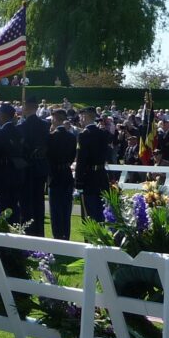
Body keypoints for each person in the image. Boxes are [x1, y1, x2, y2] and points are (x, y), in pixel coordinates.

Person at [17, 97, 50, 236]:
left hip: (27, 168)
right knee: (39, 202)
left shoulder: (22, 127)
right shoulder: (44, 125)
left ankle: (28, 232)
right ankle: (39, 233)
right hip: (40, 167)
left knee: (26, 203)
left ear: (28, 107)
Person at [75, 107, 110, 222]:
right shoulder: (103, 133)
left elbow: (81, 160)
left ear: (85, 116)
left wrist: (78, 181)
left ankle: (91, 239)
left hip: (89, 177)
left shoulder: (84, 135)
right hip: (101, 176)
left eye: (81, 117)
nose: (80, 120)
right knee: (101, 211)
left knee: (89, 213)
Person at [47, 109, 77, 239]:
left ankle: (58, 236)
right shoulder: (71, 137)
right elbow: (72, 157)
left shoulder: (51, 137)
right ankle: (66, 235)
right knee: (66, 209)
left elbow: (48, 157)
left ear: (55, 119)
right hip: (66, 173)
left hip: (54, 175)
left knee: (55, 209)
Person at [0, 103, 23, 223]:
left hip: (2, 174)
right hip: (17, 174)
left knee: (2, 205)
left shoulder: (0, 134)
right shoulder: (19, 132)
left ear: (4, 116)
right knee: (14, 205)